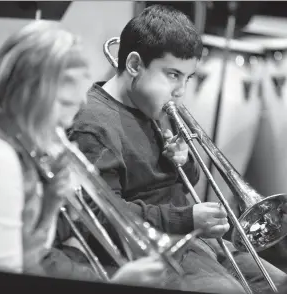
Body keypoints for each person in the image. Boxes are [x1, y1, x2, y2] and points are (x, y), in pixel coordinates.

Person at [0, 21, 174, 294]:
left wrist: (50, 202)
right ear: (27, 93)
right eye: (64, 104)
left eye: (76, 106)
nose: (68, 121)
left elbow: (27, 253)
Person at [69, 4, 287, 294]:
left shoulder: (148, 104)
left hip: (189, 240)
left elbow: (178, 184)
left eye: (187, 78)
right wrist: (186, 219)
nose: (181, 91)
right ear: (134, 65)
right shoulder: (94, 125)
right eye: (173, 75)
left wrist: (183, 163)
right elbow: (102, 215)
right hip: (145, 251)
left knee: (280, 283)